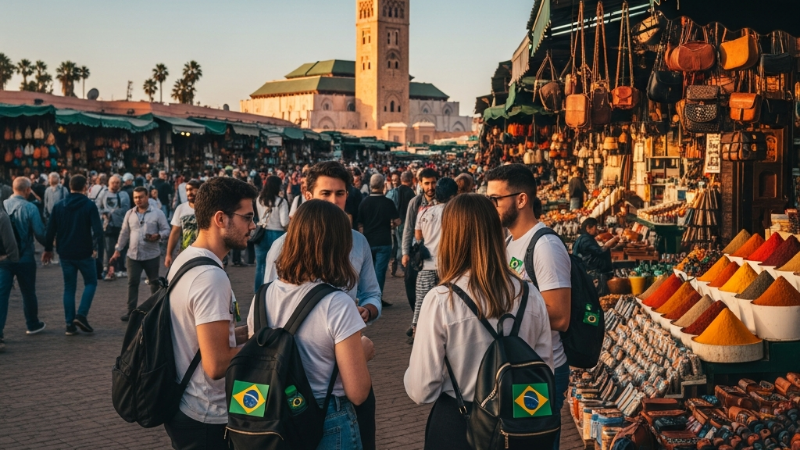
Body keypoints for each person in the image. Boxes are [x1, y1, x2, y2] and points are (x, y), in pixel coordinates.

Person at [404, 194, 554, 450]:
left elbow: (422, 390)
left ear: (450, 236)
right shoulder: (530, 295)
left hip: (459, 423)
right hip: (518, 424)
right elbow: (544, 369)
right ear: (497, 233)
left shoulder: (441, 300)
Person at [261, 161, 381, 450]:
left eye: (340, 194)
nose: (334, 201)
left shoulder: (359, 243)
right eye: (326, 193)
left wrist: (367, 310)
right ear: (308, 193)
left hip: (297, 397)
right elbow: (358, 390)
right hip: (308, 393)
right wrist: (361, 351)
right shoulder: (279, 249)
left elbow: (372, 294)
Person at [163, 176, 255, 450]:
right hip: (207, 414)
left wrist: (245, 333)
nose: (253, 226)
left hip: (187, 404)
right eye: (247, 217)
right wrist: (267, 346)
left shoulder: (187, 258)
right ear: (220, 219)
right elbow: (216, 365)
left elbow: (197, 336)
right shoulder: (210, 278)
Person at [485, 164, 571, 446]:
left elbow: (560, 316)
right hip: (517, 365)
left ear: (521, 200)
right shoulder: (510, 241)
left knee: (534, 443)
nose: (490, 206)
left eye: (495, 199)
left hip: (540, 369)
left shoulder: (545, 246)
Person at [42, 175, 104, 336]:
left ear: (69, 186)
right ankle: (81, 315)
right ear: (85, 187)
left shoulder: (59, 206)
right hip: (84, 252)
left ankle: (69, 323)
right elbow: (98, 232)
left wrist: (48, 249)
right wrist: (99, 254)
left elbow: (50, 231)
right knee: (90, 282)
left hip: (65, 252)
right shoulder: (89, 206)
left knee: (69, 287)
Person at [110, 187, 170, 321]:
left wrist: (158, 236)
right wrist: (117, 250)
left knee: (154, 283)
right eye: (136, 197)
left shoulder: (157, 213)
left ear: (147, 196)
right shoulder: (130, 214)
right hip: (133, 255)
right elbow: (124, 233)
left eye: (141, 197)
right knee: (132, 282)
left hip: (151, 255)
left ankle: (155, 310)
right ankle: (131, 311)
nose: (138, 200)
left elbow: (167, 230)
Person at [0, 178, 48, 347]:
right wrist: (49, 247)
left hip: (4, 257)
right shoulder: (30, 207)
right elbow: (40, 233)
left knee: (2, 296)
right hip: (25, 257)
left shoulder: (3, 204)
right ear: (28, 189)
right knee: (28, 292)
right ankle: (32, 323)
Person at [410, 178, 457, 342]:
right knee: (448, 305)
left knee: (422, 304)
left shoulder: (424, 212)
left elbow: (417, 236)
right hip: (449, 267)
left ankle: (417, 332)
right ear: (453, 195)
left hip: (427, 266)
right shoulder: (455, 213)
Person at [357, 174, 400, 300]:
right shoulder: (388, 202)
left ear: (371, 185)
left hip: (369, 241)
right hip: (384, 241)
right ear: (383, 185)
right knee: (380, 272)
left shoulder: (364, 202)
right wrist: (391, 225)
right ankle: (376, 297)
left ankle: (366, 295)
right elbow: (397, 221)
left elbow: (360, 223)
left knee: (367, 271)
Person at [402, 168, 438, 313]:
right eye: (427, 183)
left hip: (437, 252)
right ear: (421, 184)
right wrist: (405, 252)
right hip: (417, 252)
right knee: (411, 284)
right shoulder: (415, 202)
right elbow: (408, 228)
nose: (431, 187)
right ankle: (416, 318)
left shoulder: (442, 201)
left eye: (433, 183)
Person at [253, 175, 289, 292]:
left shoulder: (259, 199)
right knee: (276, 266)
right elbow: (284, 222)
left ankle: (258, 292)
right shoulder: (281, 202)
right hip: (277, 234)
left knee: (260, 266)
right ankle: (272, 291)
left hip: (261, 233)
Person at [96, 174, 131, 280]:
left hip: (121, 225)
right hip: (108, 226)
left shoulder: (124, 194)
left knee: (122, 247)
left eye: (117, 183)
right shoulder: (103, 194)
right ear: (108, 183)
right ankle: (111, 268)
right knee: (110, 248)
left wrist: (112, 213)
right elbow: (98, 207)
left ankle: (121, 267)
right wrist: (104, 214)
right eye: (113, 182)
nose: (115, 185)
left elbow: (126, 208)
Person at [165, 179, 201, 268]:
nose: (189, 192)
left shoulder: (209, 209)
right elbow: (175, 232)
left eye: (192, 189)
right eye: (187, 190)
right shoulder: (181, 209)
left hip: (204, 253)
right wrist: (169, 254)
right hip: (185, 253)